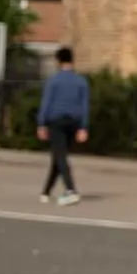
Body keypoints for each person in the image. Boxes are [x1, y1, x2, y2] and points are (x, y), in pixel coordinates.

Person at [34, 46, 89, 206]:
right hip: (73, 122)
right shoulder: (81, 81)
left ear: (58, 61)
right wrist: (83, 127)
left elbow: (46, 103)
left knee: (60, 156)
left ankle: (71, 190)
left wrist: (41, 123)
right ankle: (46, 191)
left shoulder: (54, 80)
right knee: (58, 157)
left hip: (56, 122)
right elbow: (84, 105)